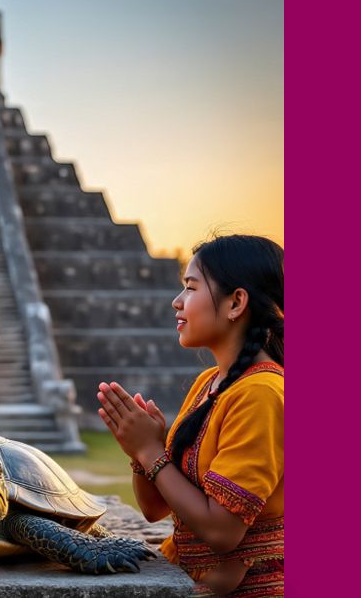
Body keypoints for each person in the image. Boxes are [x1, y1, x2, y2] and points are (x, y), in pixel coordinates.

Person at [96, 234, 283, 596]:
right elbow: (154, 509)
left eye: (191, 288)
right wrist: (139, 451)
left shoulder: (261, 394)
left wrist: (152, 452)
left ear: (236, 303)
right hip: (194, 580)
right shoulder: (209, 384)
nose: (177, 301)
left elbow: (221, 532)